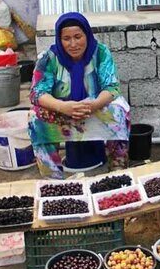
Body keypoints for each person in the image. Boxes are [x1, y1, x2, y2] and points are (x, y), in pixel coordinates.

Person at [28, 12, 130, 179]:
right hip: (62, 110)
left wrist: (93, 105)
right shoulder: (49, 58)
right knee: (35, 118)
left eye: (78, 36)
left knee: (119, 111)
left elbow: (111, 87)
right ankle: (53, 181)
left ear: (87, 35)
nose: (73, 44)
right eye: (66, 38)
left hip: (93, 108)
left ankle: (118, 175)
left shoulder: (101, 53)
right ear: (59, 40)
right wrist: (63, 107)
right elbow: (37, 92)